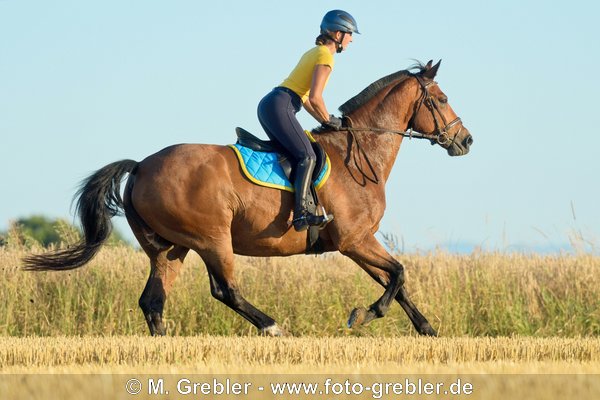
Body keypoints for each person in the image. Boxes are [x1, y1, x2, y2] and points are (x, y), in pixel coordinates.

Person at [257, 10, 359, 232]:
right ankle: (301, 215)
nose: (351, 39)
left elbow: (308, 103)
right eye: (350, 34)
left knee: (296, 153)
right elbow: (315, 97)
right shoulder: (326, 56)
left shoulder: (316, 52)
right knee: (307, 155)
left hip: (273, 104)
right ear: (337, 34)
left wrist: (327, 120)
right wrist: (330, 121)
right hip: (281, 105)